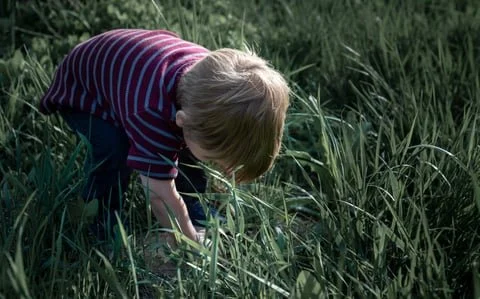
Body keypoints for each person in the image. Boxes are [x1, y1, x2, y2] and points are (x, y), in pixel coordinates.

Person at [39, 28, 290, 243]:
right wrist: (188, 240)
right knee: (115, 150)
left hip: (127, 73)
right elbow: (159, 195)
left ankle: (192, 205)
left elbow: (191, 138)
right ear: (180, 120)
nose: (215, 164)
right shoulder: (151, 112)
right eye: (213, 158)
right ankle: (100, 216)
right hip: (85, 92)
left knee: (187, 147)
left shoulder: (208, 83)